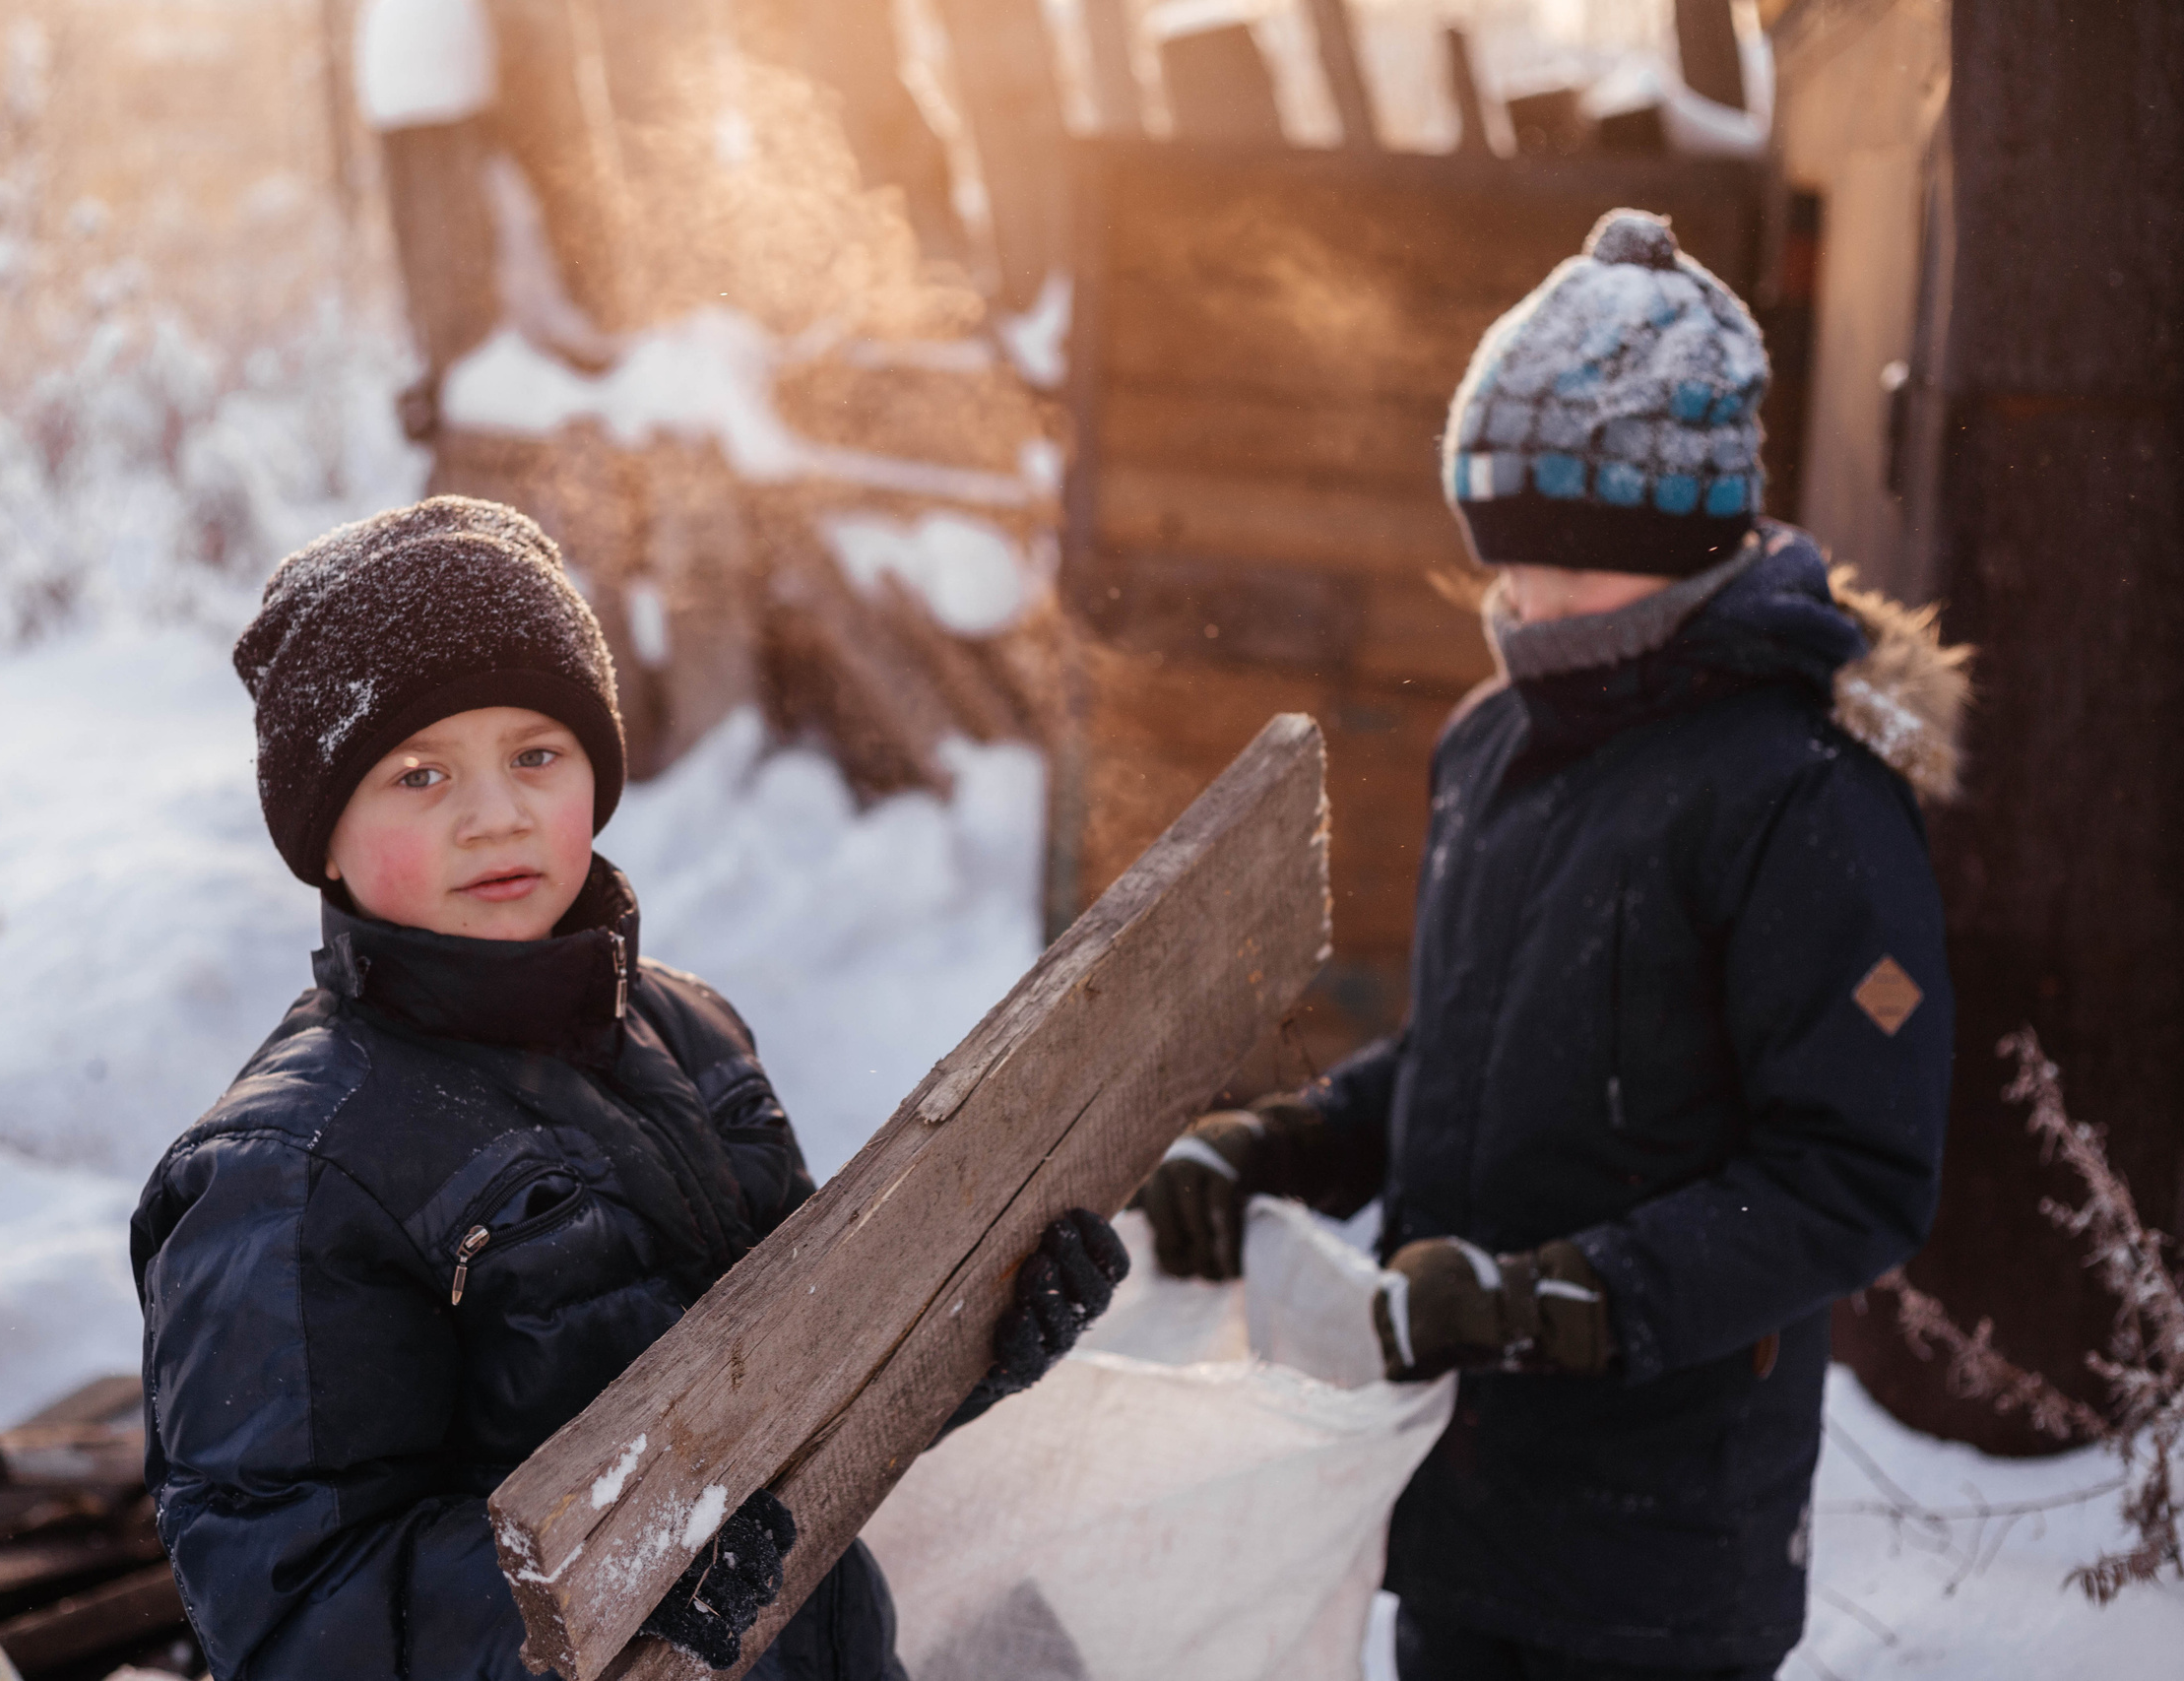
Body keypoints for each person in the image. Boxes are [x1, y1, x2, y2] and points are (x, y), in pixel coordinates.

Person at [1139, 209, 1962, 1679]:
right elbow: (1479, 1047)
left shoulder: (1803, 797)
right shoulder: (1494, 740)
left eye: (1570, 568)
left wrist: (1564, 1298)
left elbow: (1851, 1174)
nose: (1524, 605)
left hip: (1660, 1548)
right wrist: (1291, 1141)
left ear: (1684, 538)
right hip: (1454, 1496)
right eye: (1506, 561)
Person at [131, 496, 1125, 1681]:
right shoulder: (286, 1176)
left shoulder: (691, 1034)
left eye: (535, 756)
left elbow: (803, 1388)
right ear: (321, 838)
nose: (492, 814)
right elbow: (298, 1614)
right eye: (418, 774)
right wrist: (616, 1575)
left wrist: (969, 1333)